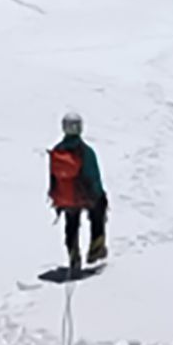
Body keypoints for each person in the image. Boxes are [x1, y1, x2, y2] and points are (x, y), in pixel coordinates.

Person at [48, 111, 108, 272]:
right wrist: (98, 195)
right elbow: (93, 176)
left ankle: (73, 252)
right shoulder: (85, 151)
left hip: (65, 198)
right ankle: (96, 246)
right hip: (84, 196)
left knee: (71, 223)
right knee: (99, 209)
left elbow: (53, 177)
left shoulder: (57, 151)